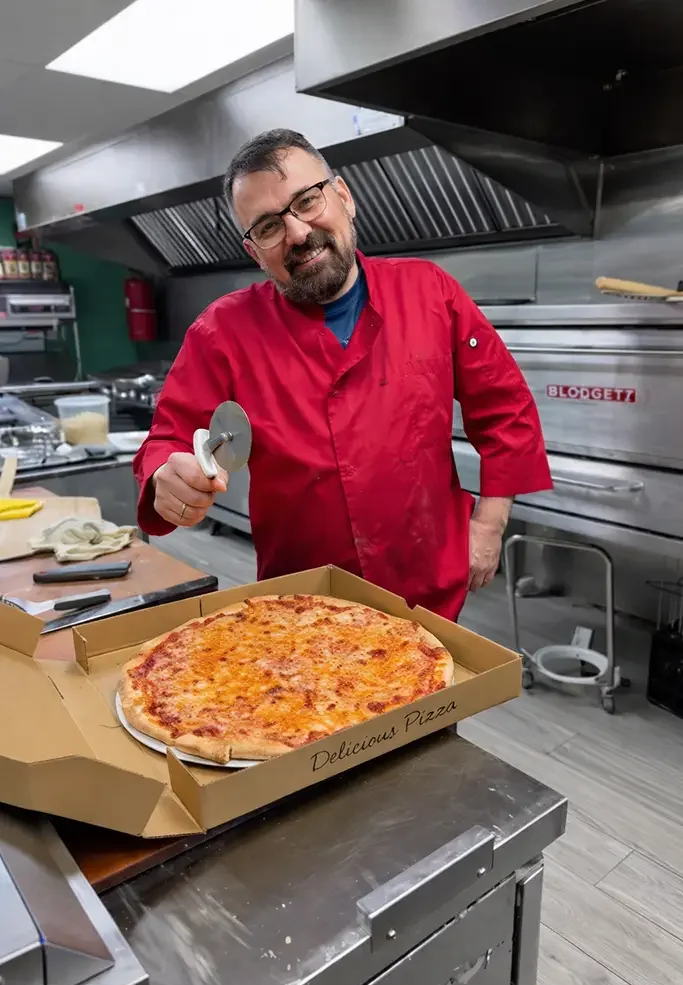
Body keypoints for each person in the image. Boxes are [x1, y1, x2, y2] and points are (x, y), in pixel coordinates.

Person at [134, 128, 551, 620]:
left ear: (344, 197)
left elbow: (506, 409)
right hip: (301, 600)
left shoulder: (430, 292)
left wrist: (489, 522)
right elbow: (166, 440)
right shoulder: (222, 331)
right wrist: (166, 474)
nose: (297, 233)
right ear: (254, 251)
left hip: (425, 590)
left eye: (307, 202)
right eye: (268, 227)